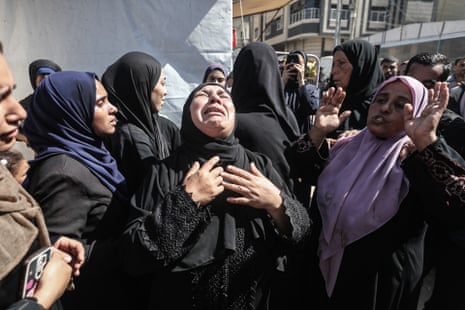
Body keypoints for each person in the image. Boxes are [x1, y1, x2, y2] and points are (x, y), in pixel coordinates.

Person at [121, 82, 312, 309]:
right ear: (187, 112)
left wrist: (277, 203)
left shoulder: (259, 165)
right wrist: (186, 202)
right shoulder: (164, 171)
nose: (215, 99)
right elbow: (132, 254)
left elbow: (303, 231)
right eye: (203, 95)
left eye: (223, 95)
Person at [299, 76, 465, 309]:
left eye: (400, 104)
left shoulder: (417, 158)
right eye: (381, 100)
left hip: (377, 288)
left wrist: (427, 142)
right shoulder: (347, 146)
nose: (385, 108)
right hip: (322, 276)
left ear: (417, 110)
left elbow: (459, 204)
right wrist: (317, 131)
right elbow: (297, 169)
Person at [23, 71, 130, 309]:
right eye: (100, 103)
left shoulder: (90, 154)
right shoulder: (63, 173)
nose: (113, 109)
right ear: (71, 111)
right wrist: (132, 247)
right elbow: (58, 258)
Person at [0, 47, 84, 310]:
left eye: (12, 92)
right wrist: (43, 298)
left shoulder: (5, 182)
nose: (20, 112)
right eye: (1, 97)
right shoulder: (60, 170)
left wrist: (41, 250)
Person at [405, 52, 465, 310]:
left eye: (429, 85)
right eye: (413, 81)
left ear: (443, 87)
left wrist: (427, 142)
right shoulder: (394, 116)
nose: (418, 90)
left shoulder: (455, 128)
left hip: (441, 233)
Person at [102, 51, 181, 196]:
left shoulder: (165, 127)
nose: (165, 92)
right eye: (162, 83)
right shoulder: (129, 136)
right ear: (141, 86)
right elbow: (152, 191)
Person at [327, 39, 385, 139]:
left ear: (361, 66)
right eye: (334, 64)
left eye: (341, 63)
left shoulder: (383, 106)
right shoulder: (332, 101)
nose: (334, 71)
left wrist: (364, 136)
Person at [282, 50, 320, 133]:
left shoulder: (310, 88)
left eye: (298, 64)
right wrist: (282, 82)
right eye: (290, 64)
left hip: (300, 133)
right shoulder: (278, 85)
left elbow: (312, 108)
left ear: (305, 68)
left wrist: (301, 83)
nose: (294, 67)